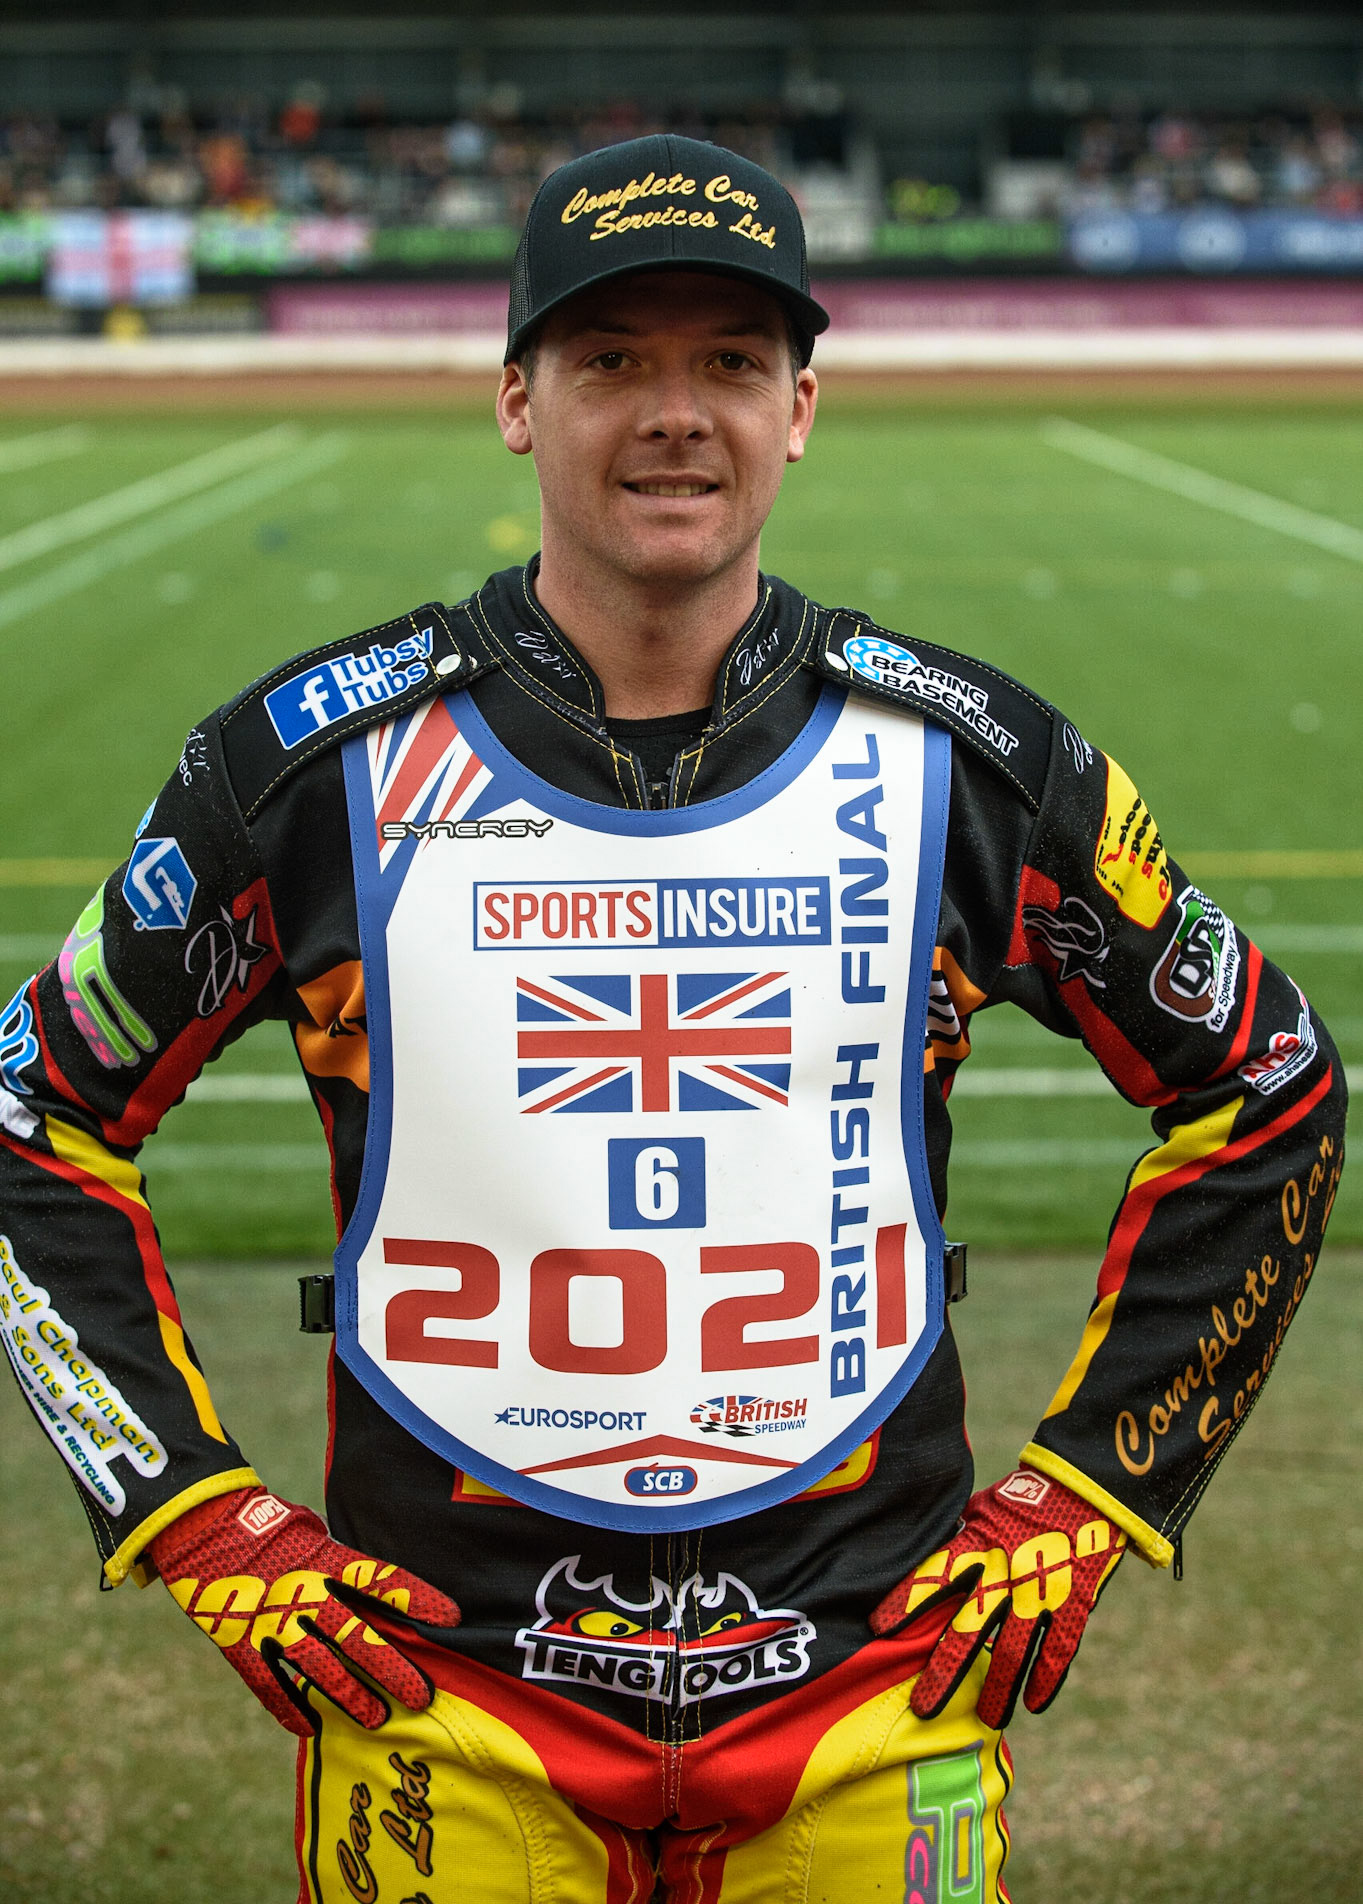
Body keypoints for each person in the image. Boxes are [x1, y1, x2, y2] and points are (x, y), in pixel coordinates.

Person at [0, 135, 1345, 1904]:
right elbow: (35, 1116)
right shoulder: (302, 772)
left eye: (727, 360)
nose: (674, 413)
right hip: (444, 1703)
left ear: (802, 406)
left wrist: (1096, 1495)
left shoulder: (969, 762)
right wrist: (183, 1503)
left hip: (883, 1694)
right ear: (514, 399)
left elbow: (1268, 1091)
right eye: (611, 358)